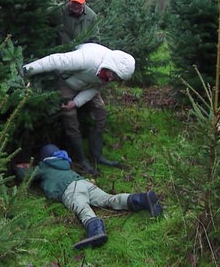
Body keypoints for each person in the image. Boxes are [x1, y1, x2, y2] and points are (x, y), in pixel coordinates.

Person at [15, 144, 163, 250]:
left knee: (82, 208)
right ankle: (142, 199)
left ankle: (96, 231)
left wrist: (18, 167)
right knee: (108, 199)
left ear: (44, 158)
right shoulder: (64, 163)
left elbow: (25, 175)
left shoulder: (44, 166)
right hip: (84, 182)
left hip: (69, 189)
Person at [22, 43, 135, 175]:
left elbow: (94, 88)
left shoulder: (108, 73)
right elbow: (54, 60)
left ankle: (97, 156)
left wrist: (76, 102)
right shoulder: (86, 59)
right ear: (112, 65)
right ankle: (82, 160)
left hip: (88, 86)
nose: (112, 78)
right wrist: (26, 70)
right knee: (71, 119)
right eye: (113, 75)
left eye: (116, 78)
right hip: (67, 84)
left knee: (100, 113)